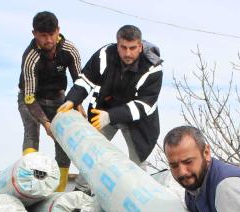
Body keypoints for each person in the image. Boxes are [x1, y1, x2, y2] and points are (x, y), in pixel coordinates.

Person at [58, 24, 162, 169]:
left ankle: (136, 183)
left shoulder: (153, 67)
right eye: (123, 47)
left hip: (138, 121)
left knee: (137, 162)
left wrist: (110, 116)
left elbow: (144, 105)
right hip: (105, 109)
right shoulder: (105, 54)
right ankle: (83, 183)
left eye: (132, 48)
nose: (127, 53)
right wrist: (72, 99)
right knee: (91, 153)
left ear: (140, 47)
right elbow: (86, 79)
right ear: (117, 45)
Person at [18, 11, 83, 192]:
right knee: (32, 133)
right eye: (43, 36)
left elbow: (80, 82)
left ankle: (58, 193)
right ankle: (30, 185)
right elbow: (29, 97)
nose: (48, 40)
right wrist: (46, 123)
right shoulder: (30, 57)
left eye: (52, 34)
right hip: (31, 99)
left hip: (58, 98)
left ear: (58, 30)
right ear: (34, 34)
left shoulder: (70, 49)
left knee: (63, 141)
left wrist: (78, 103)